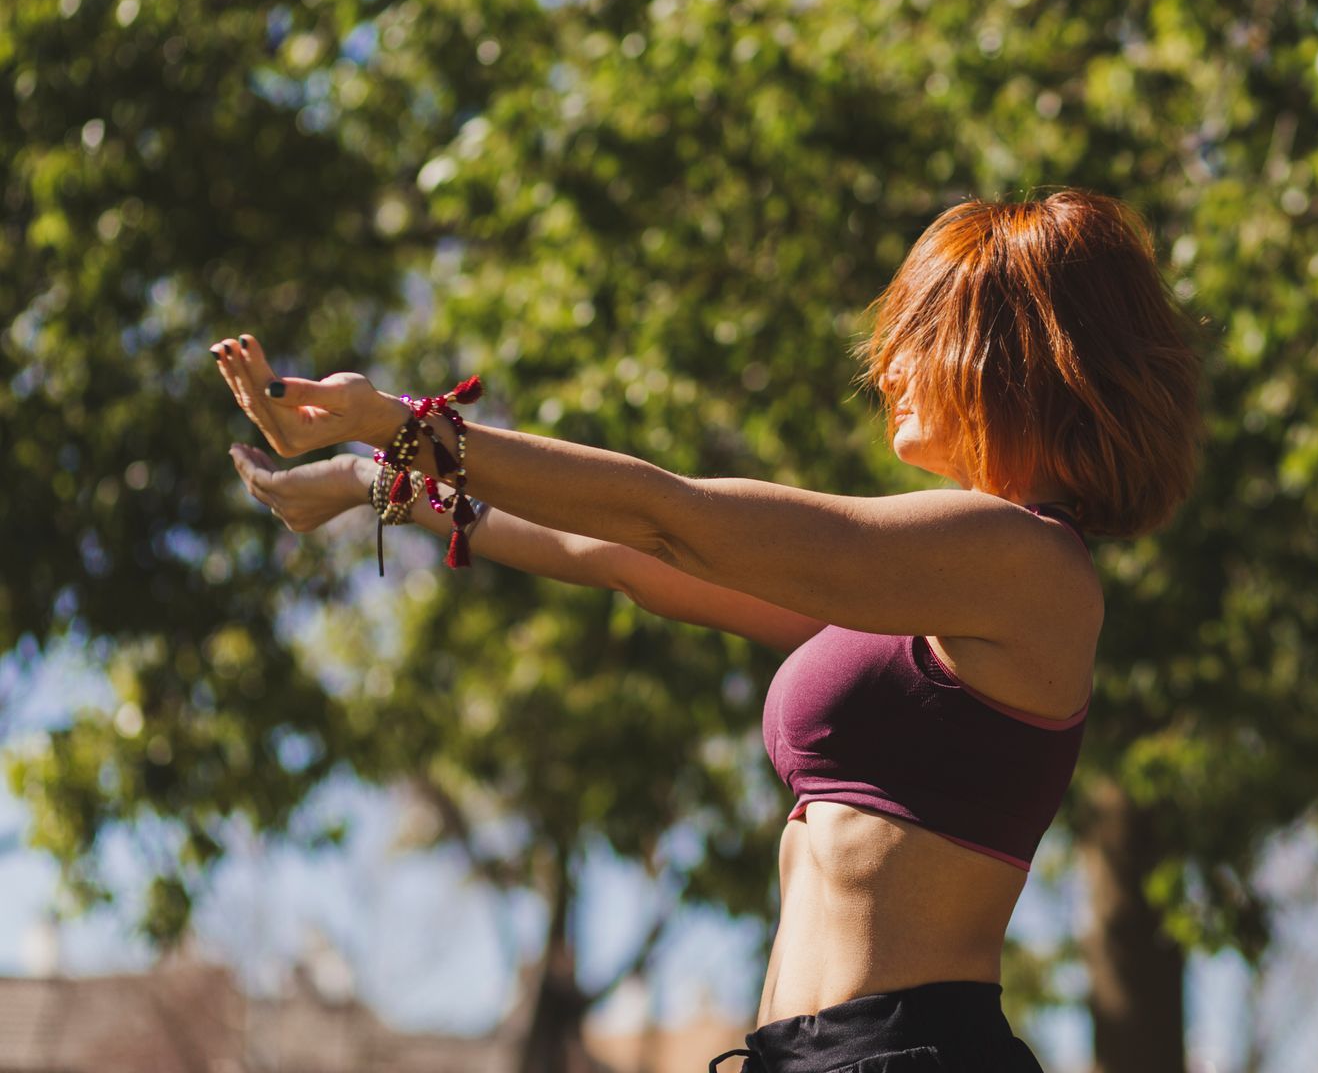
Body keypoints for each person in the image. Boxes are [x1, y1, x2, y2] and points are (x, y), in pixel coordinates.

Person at [212, 187, 1204, 1072]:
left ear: (1018, 357)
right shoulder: (935, 588)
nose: (891, 365)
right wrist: (374, 480)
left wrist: (394, 421)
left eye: (927, 331)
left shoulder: (1026, 562)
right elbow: (628, 556)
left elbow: (674, 515)